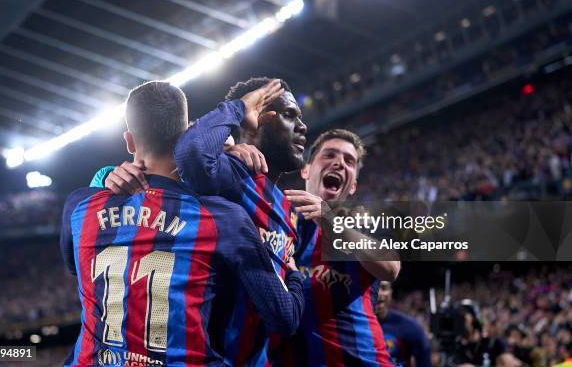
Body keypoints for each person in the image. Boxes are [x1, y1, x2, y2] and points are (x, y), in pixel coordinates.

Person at [61, 81, 304, 366]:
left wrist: (104, 181)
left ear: (129, 142)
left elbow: (75, 265)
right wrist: (293, 273)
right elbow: (285, 319)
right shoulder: (223, 217)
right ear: (187, 136)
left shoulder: (79, 206)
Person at [266, 128, 399, 366]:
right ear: (306, 169)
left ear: (353, 186)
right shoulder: (276, 223)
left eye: (349, 161)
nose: (339, 163)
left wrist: (330, 221)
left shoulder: (363, 223)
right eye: (329, 155)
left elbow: (390, 268)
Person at [376, 281, 431, 367]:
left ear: (391, 292)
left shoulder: (409, 326)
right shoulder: (350, 324)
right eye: (373, 287)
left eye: (384, 287)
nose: (378, 293)